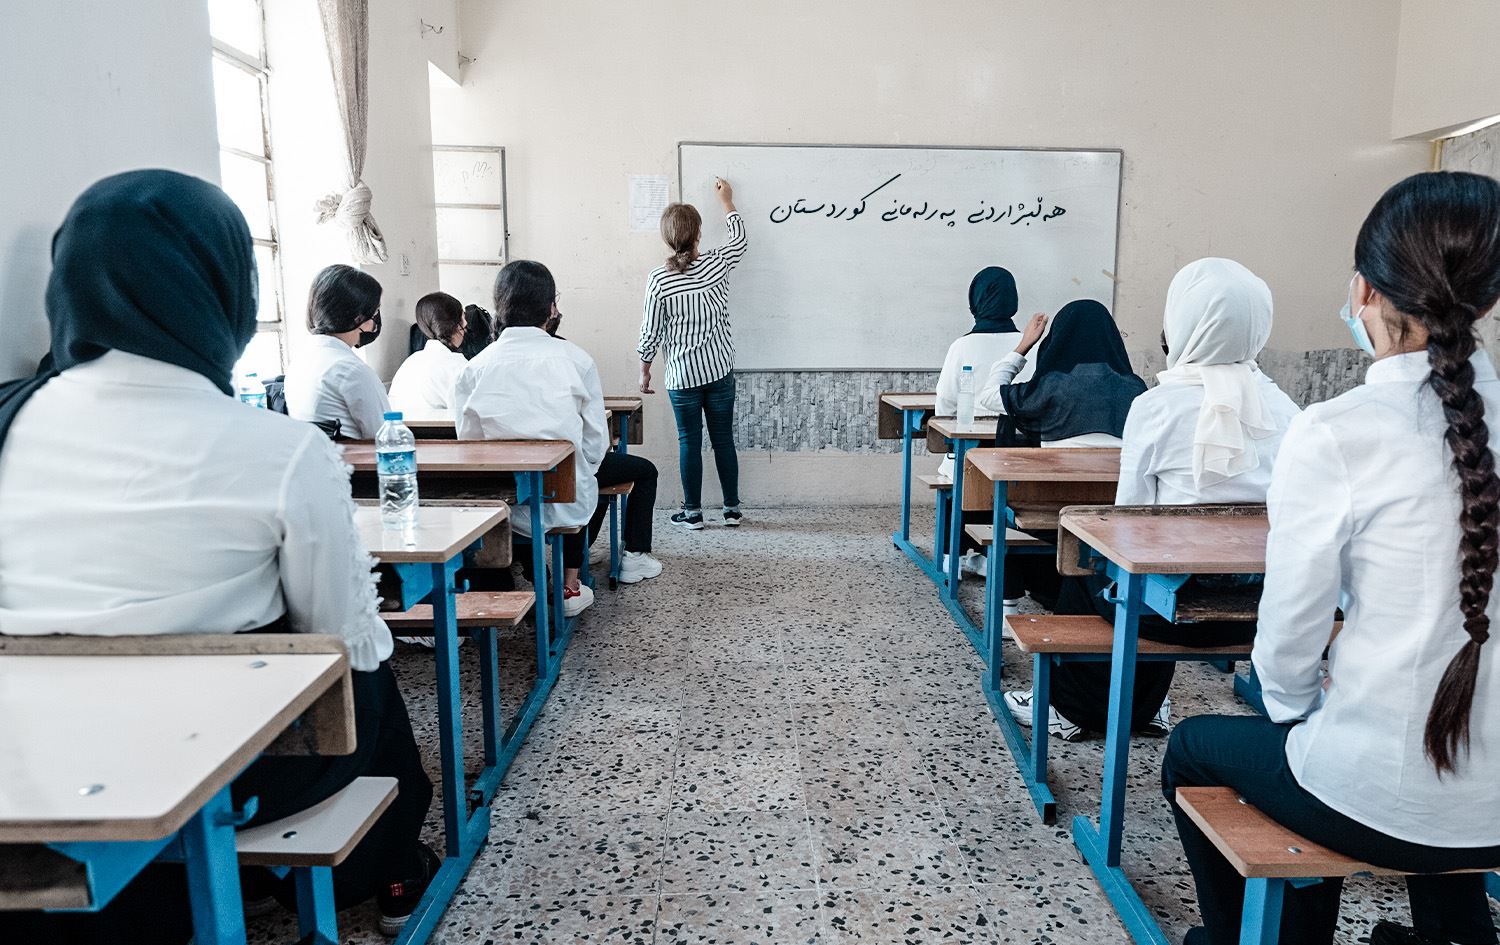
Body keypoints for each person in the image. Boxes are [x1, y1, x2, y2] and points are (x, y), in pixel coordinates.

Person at [0, 171, 434, 943]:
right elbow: (340, 643)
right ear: (226, 291)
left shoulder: (9, 420)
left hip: (29, 767)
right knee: (373, 677)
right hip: (233, 768)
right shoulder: (282, 453)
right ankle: (387, 871)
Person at [1164, 171, 1500, 945]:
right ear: (1485, 303)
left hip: (1372, 798)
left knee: (1192, 748)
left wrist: (1298, 713)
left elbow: (1285, 650)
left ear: (1363, 291)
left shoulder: (1338, 430)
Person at [1007, 258, 1302, 743]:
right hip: (1264, 613)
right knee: (1150, 574)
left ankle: (1067, 707)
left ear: (1183, 322)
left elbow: (1128, 527)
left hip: (1175, 615)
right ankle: (1152, 705)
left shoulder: (1158, 407)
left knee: (1090, 571)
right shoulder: (1288, 411)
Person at [454, 261, 638, 616]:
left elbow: (469, 444)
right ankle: (566, 585)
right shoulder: (576, 360)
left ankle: (526, 581)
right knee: (586, 481)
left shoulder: (474, 369)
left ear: (499, 308)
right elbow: (596, 445)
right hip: (566, 501)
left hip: (503, 508)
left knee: (518, 501)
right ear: (551, 308)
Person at [972, 299, 1148, 606]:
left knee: (1005, 510)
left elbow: (988, 396)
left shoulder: (1050, 388)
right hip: (1114, 515)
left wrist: (1023, 346)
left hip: (1051, 510)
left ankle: (1008, 608)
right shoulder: (1135, 390)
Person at [638, 178, 747, 530]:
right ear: (698, 234)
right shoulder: (716, 264)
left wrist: (645, 370)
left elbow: (650, 332)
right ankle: (731, 510)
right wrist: (727, 201)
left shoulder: (659, 279)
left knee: (689, 442)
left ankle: (693, 513)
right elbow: (740, 240)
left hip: (682, 377)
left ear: (668, 238)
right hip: (719, 370)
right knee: (723, 439)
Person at [284, 264, 390, 438]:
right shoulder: (352, 370)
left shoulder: (300, 361)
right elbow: (386, 436)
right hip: (355, 463)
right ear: (359, 317)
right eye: (375, 311)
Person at [389, 291, 467, 418]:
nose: (466, 324)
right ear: (455, 325)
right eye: (463, 318)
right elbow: (468, 417)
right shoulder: (457, 366)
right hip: (442, 435)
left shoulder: (410, 362)